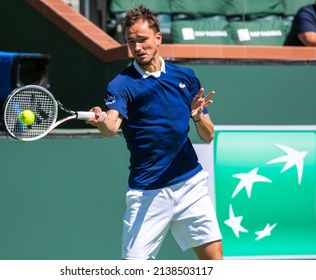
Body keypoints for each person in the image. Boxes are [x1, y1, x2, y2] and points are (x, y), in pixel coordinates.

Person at [86, 5, 223, 260]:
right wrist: (102, 120)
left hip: (189, 183)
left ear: (158, 38)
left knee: (214, 261)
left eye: (142, 40)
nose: (137, 47)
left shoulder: (185, 77)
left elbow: (208, 135)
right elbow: (111, 127)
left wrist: (196, 115)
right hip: (148, 191)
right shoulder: (121, 84)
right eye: (130, 42)